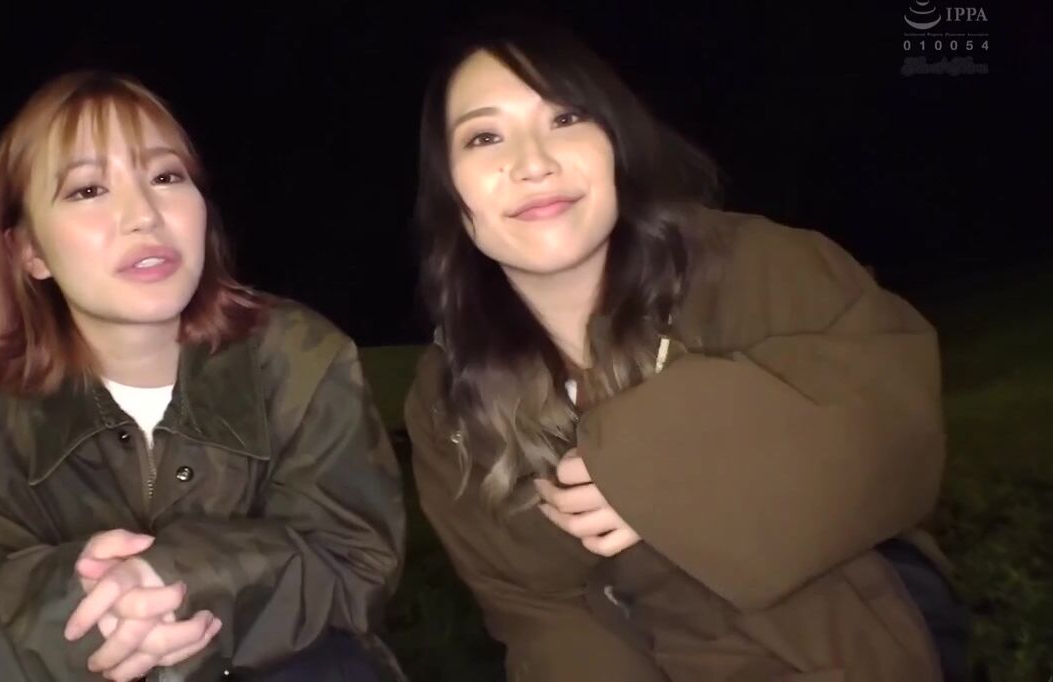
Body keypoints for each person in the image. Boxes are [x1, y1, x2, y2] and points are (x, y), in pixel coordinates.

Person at [404, 17, 969, 682]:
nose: (533, 164)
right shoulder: (446, 400)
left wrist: (655, 475)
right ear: (451, 192)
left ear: (617, 144)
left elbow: (895, 434)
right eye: (485, 136)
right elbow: (538, 618)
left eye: (566, 118)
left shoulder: (760, 266)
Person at [0, 71, 406, 682]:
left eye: (165, 177)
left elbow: (355, 564)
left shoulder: (297, 356)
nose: (143, 215)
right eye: (87, 190)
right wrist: (85, 606)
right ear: (30, 252)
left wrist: (182, 577)